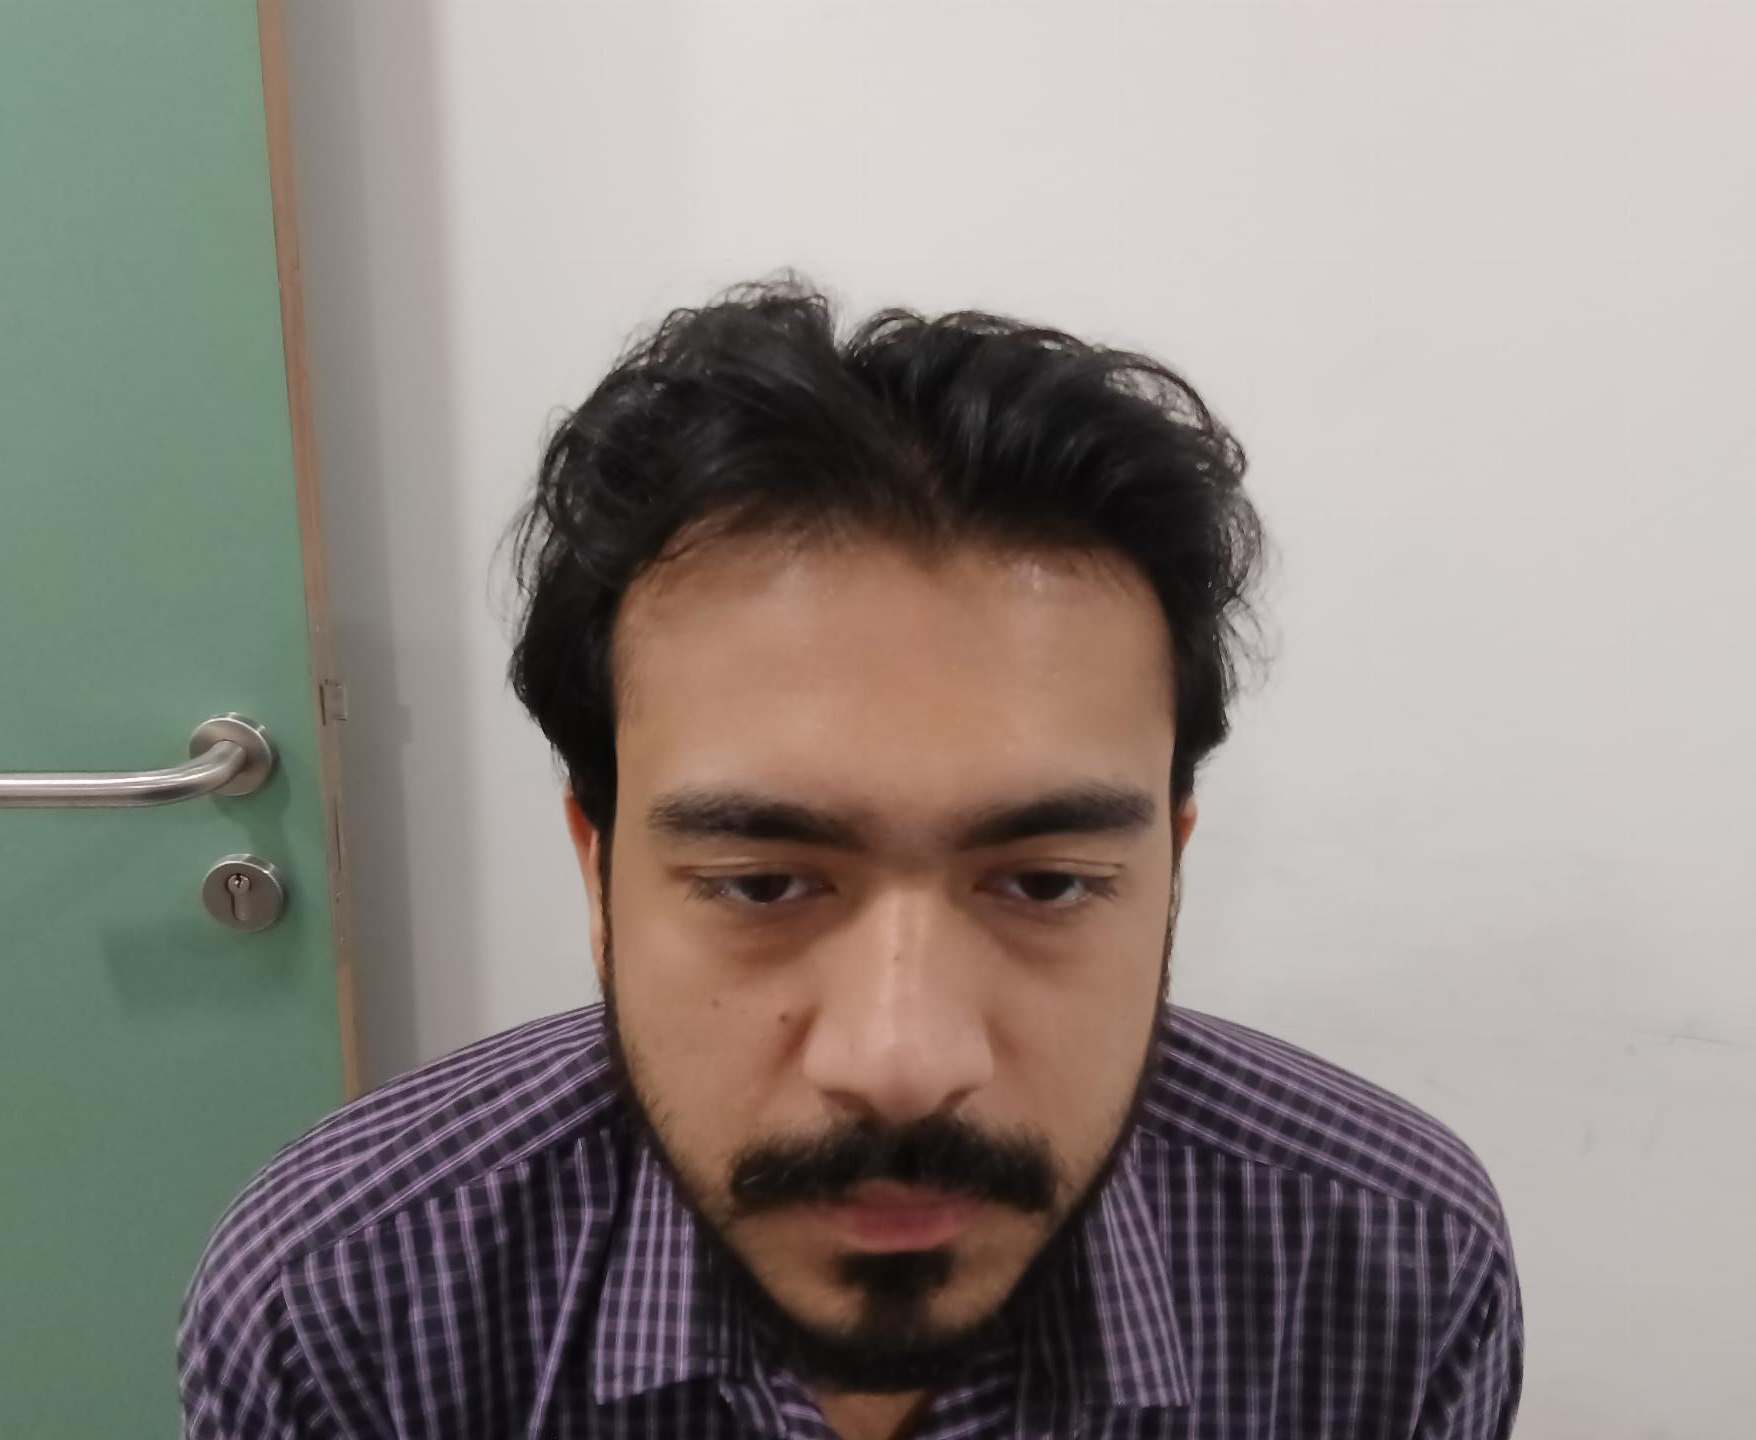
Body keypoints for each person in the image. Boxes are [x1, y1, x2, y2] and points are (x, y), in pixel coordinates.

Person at [178, 275, 1523, 1440]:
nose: (901, 1061)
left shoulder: (1389, 1268)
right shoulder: (344, 1308)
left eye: (1046, 883)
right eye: (764, 883)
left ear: (1169, 869)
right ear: (598, 873)